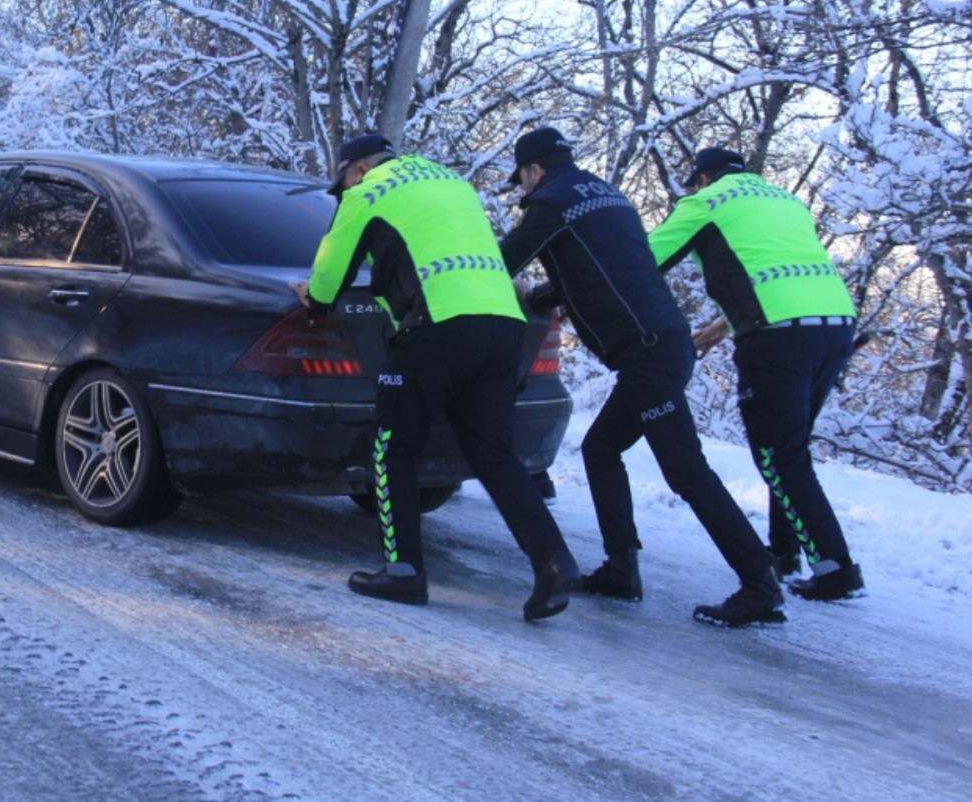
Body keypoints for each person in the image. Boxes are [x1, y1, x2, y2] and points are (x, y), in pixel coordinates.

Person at [499, 127, 784, 628]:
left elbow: (502, 262)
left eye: (522, 179)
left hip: (649, 355)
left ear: (535, 171)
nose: (523, 189)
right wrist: (542, 299)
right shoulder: (608, 197)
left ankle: (760, 583)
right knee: (601, 449)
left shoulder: (551, 202)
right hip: (661, 343)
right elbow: (601, 268)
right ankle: (621, 569)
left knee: (686, 471)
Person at [290, 133, 579, 622]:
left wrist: (312, 297)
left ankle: (403, 572)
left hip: (439, 328)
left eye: (343, 183)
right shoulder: (451, 182)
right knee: (493, 453)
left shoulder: (367, 193)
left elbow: (328, 279)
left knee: (393, 445)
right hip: (503, 327)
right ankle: (553, 559)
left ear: (357, 169)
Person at [649, 147, 864, 601]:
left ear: (702, 177)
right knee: (789, 448)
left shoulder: (705, 202)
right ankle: (784, 553)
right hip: (835, 327)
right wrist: (724, 324)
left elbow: (644, 260)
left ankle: (836, 569)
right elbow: (778, 274)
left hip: (778, 338)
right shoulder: (784, 200)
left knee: (777, 454)